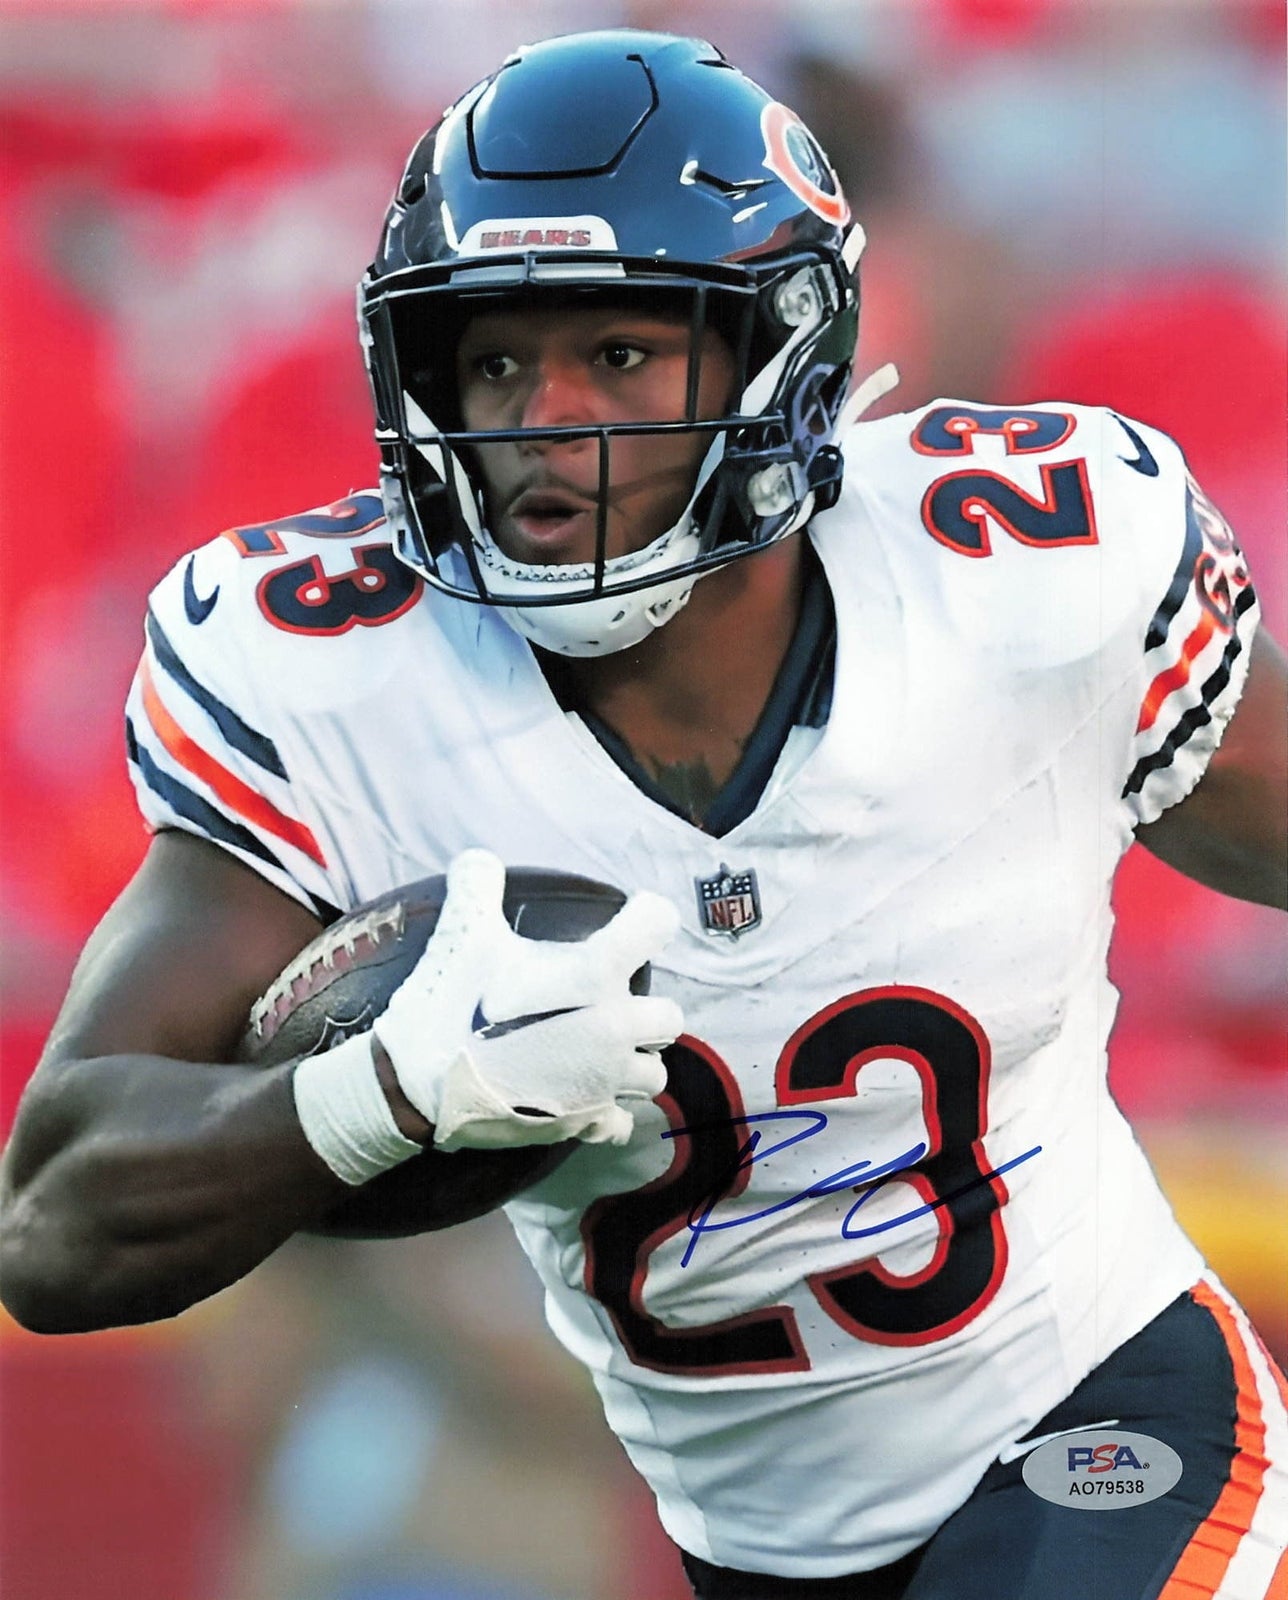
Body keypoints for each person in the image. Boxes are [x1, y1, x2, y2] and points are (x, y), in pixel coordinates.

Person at [1, 28, 1285, 1600]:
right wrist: (383, 1091)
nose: (545, 417)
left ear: (778, 357)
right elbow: (53, 1224)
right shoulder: (337, 687)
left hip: (1104, 1414)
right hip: (759, 1552)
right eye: (493, 361)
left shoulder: (1020, 579)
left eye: (617, 353)